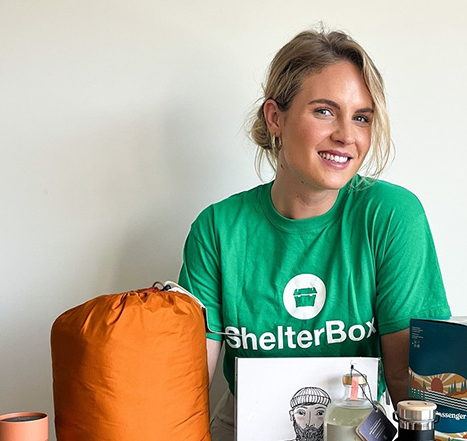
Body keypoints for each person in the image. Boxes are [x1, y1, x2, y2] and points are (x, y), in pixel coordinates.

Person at [178, 27, 450, 441]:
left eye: (361, 117)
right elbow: (185, 388)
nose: (347, 135)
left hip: (357, 424)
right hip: (244, 426)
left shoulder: (392, 215)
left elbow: (403, 379)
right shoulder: (217, 229)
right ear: (275, 118)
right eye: (325, 111)